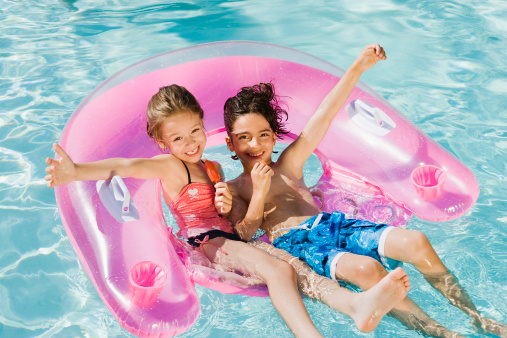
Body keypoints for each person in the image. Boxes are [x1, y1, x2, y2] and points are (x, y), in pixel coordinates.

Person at [44, 84, 410, 337]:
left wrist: (230, 206)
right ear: (161, 142)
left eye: (195, 131)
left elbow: (243, 226)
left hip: (234, 239)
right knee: (279, 270)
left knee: (297, 270)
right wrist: (75, 172)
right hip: (209, 241)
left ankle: (355, 306)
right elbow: (125, 167)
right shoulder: (170, 167)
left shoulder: (213, 170)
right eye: (177, 138)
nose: (190, 143)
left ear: (205, 125)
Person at [223, 44, 507, 338]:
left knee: (417, 242)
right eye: (244, 138)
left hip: (333, 224)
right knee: (368, 270)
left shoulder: (289, 164)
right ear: (230, 144)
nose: (255, 145)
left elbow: (325, 113)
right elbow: (244, 233)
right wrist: (258, 192)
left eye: (263, 135)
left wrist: (358, 67)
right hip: (298, 243)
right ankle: (442, 333)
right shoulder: (234, 189)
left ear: (274, 136)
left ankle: (477, 319)